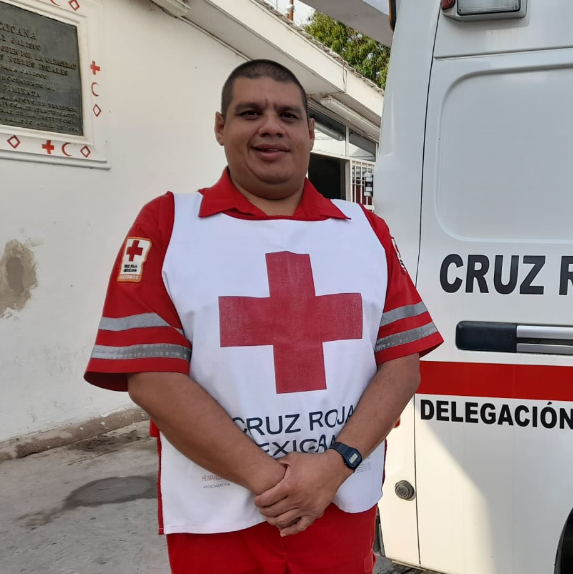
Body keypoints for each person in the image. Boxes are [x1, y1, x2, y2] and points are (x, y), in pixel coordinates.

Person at [82, 59, 443, 574]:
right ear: (220, 127)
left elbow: (402, 363)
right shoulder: (168, 224)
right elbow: (152, 377)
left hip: (338, 505)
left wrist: (333, 467)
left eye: (288, 116)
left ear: (311, 133)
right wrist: (277, 483)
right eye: (250, 112)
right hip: (219, 514)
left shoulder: (366, 231)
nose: (271, 126)